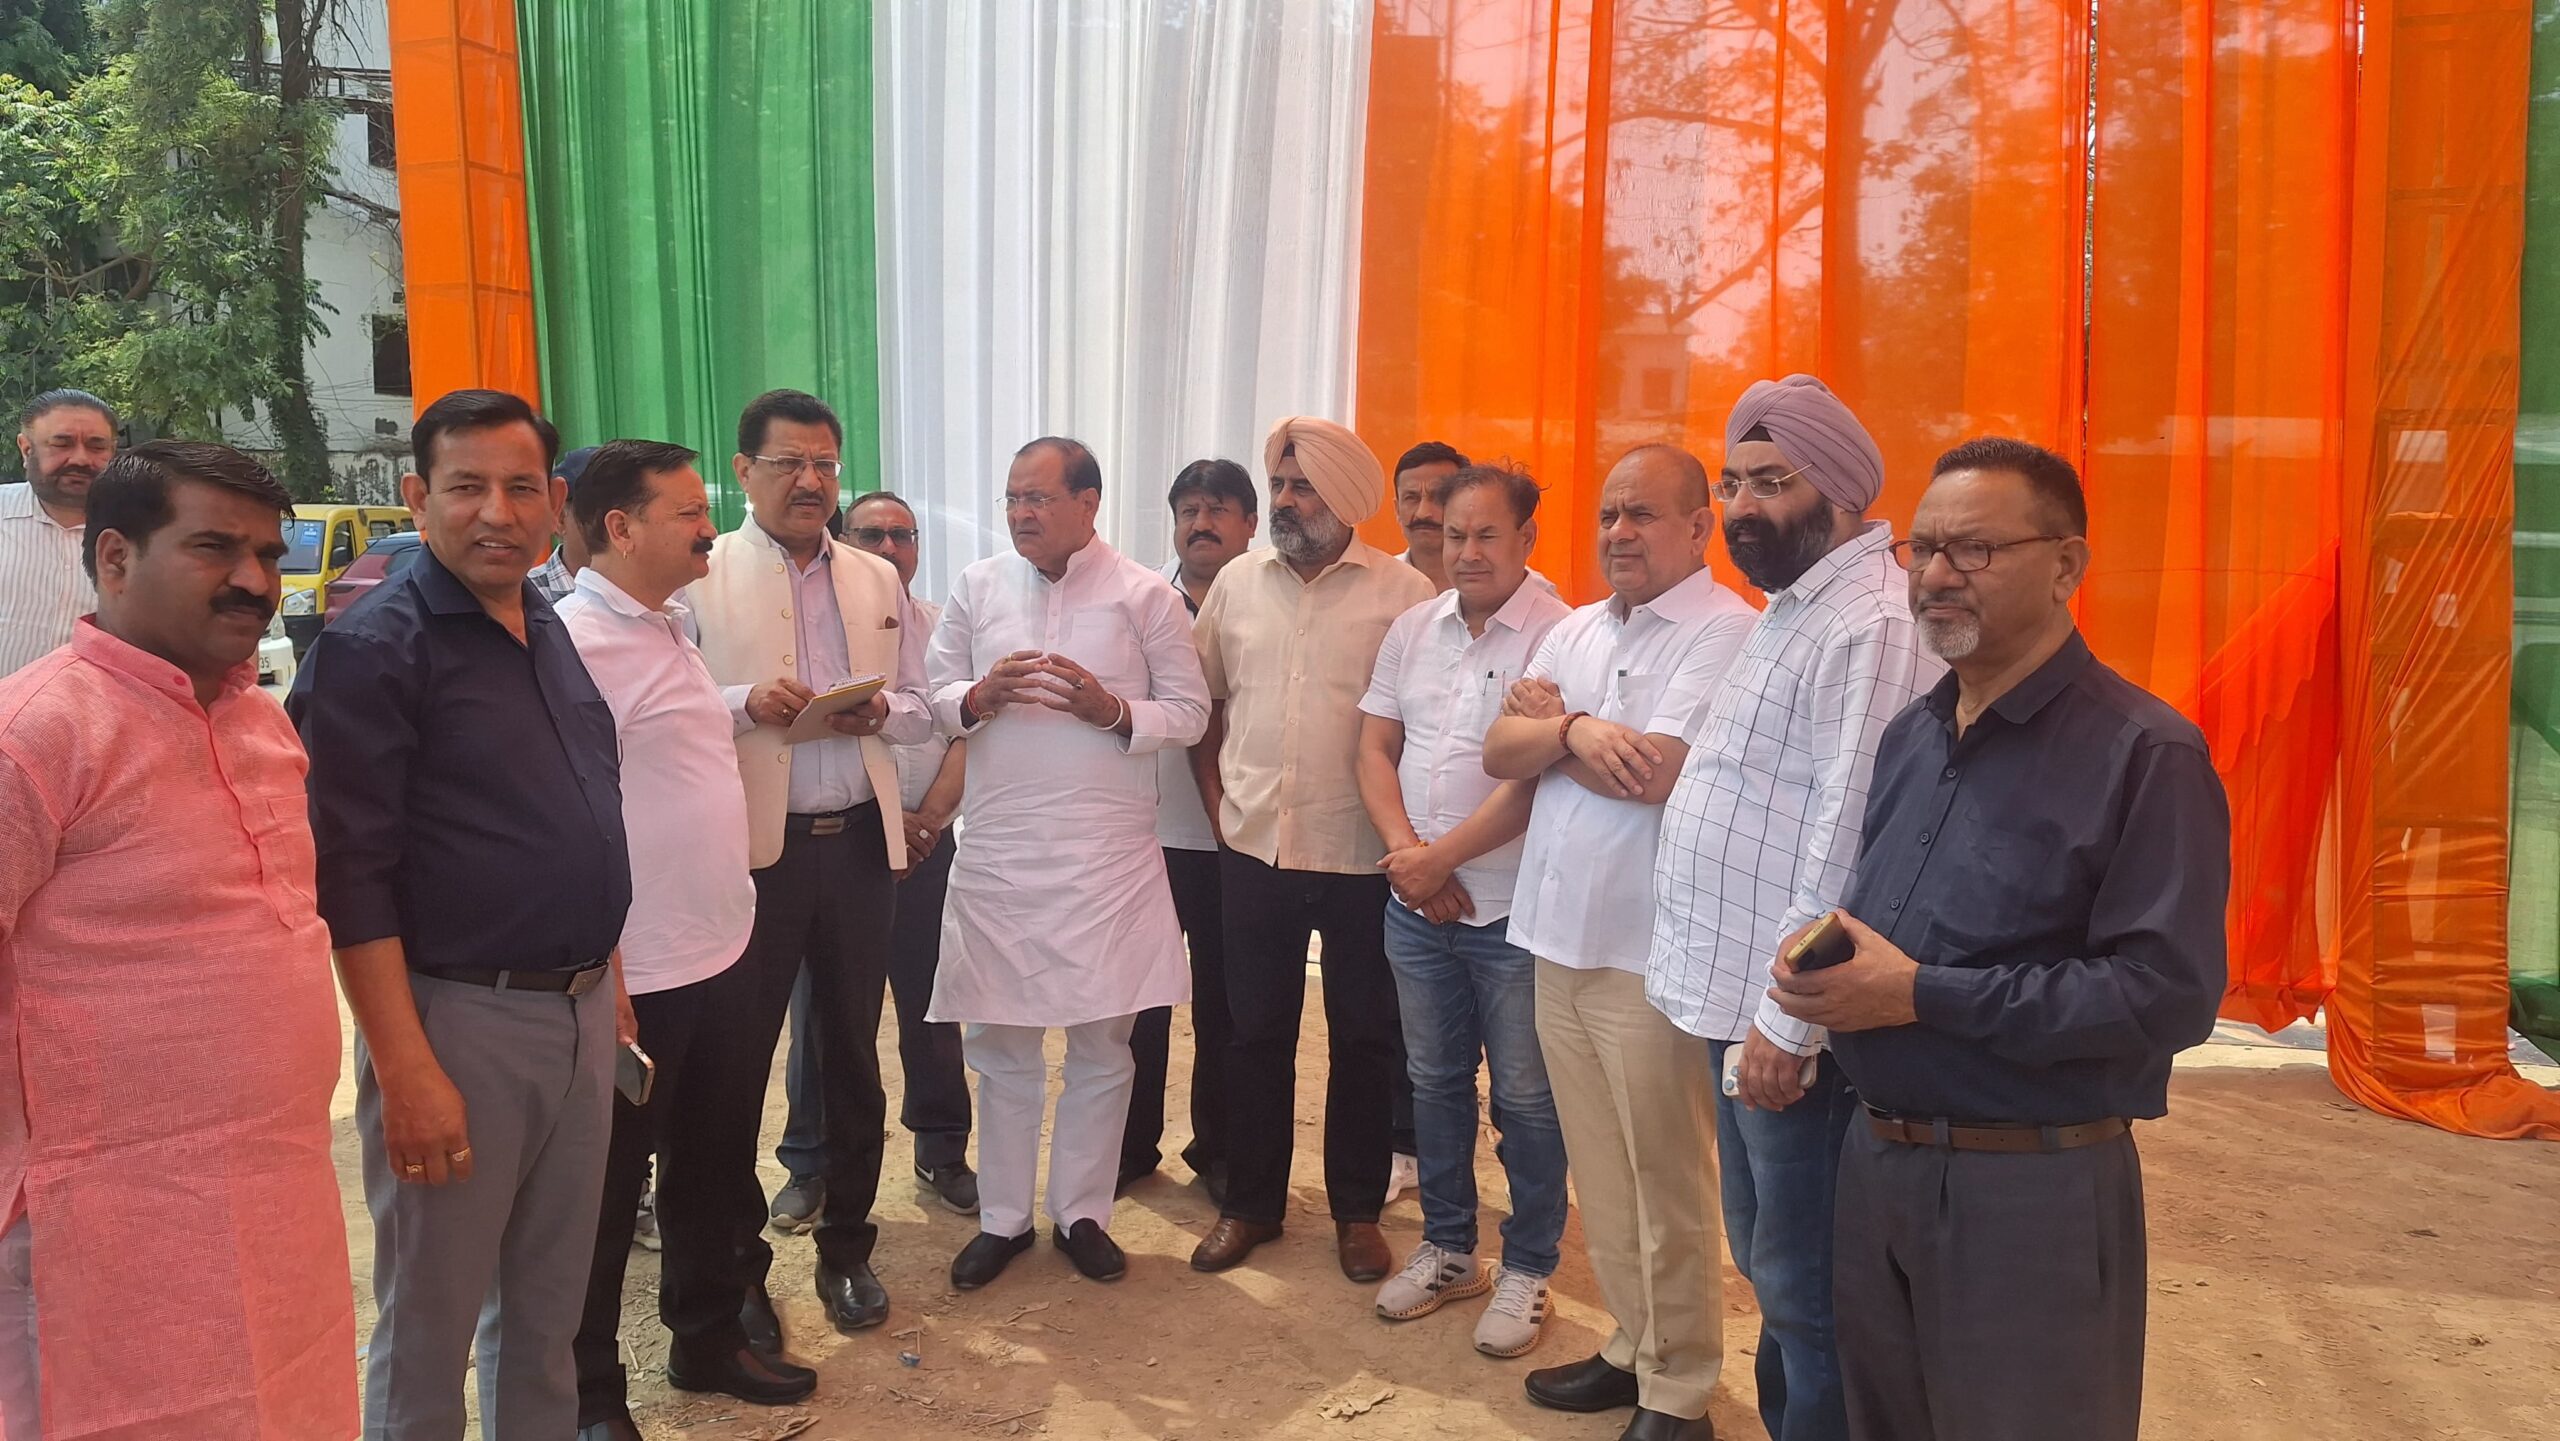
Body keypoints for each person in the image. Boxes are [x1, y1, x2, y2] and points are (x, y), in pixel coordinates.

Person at [1777, 437, 2228, 1441]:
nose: (1937, 575)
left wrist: (1918, 994)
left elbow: (2165, 996)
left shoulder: (2145, 753)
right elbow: (1902, 924)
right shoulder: (1913, 735)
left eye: (1974, 549)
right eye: (1922, 548)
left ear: (2066, 566)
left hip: (2030, 1194)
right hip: (1876, 1167)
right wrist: (1829, 960)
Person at [292, 389, 635, 1440]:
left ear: (555, 502)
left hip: (579, 1012)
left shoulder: (544, 623)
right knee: (429, 1328)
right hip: (456, 1022)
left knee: (546, 1315)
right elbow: (352, 876)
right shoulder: (375, 648)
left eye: (521, 487)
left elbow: (584, 814)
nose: (497, 511)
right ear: (417, 496)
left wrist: (611, 986)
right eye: (466, 487)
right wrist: (406, 1069)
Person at [0, 440, 355, 1440]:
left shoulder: (262, 724)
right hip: (103, 1227)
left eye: (267, 554)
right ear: (116, 557)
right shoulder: (37, 733)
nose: (253, 579)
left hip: (278, 1190)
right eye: (213, 548)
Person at [1644, 376, 1943, 1441]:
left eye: (1772, 482)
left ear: (1845, 491)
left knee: (1810, 1290)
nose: (1741, 506)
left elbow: (1846, 838)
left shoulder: (1872, 622)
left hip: (1788, 1026)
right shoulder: (1797, 606)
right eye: (1731, 483)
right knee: (1771, 1267)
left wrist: (1787, 1022)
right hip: (1740, 1002)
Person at [1484, 445, 1755, 1441]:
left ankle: (1679, 1388)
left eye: (1642, 514)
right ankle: (1632, 1345)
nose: (1619, 533)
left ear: (1699, 527)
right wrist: (1576, 734)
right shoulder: (1575, 628)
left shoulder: (1727, 632)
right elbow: (1497, 749)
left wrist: (1562, 732)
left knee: (1665, 1176)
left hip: (1651, 953)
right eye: (1607, 514)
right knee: (1600, 1167)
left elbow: (1657, 773)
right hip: (1555, 937)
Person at [560, 441, 812, 1440]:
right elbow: (567, 813)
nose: (709, 529)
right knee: (605, 1192)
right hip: (641, 971)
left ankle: (706, 1339)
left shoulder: (667, 626)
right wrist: (608, 960)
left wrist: (741, 700)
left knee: (712, 1162)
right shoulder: (574, 642)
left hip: (720, 947)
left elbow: (668, 736)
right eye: (686, 513)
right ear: (620, 528)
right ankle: (589, 1395)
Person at [926, 437, 1210, 1287]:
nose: (1021, 513)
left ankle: (1084, 1212)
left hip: (1105, 859)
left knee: (1103, 1043)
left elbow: (1191, 711)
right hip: (1001, 852)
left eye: (1039, 498)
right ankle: (1005, 1219)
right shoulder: (978, 585)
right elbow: (932, 696)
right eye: (1013, 498)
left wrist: (1112, 709)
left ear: (1089, 503)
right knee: (998, 1041)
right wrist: (978, 697)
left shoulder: (1145, 594)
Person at [687, 388, 934, 1339]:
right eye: (788, 463)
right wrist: (744, 701)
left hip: (859, 847)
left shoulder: (875, 577)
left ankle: (848, 1248)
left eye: (824, 464)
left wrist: (884, 711)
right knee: (735, 1064)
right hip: (752, 855)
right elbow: (659, 705)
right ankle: (739, 1268)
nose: (810, 481)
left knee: (853, 1059)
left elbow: (921, 702)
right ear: (743, 471)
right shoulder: (699, 574)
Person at [1187, 417, 1436, 1280]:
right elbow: (1205, 706)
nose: (1286, 501)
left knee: (1364, 1038)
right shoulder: (1236, 585)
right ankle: (1251, 1204)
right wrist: (1219, 808)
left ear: (1348, 498)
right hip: (1254, 848)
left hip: (1363, 855)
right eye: (1281, 485)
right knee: (1253, 1033)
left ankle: (1357, 1214)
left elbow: (1422, 728)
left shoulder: (1405, 594)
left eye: (1304, 487)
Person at [1354, 463, 1570, 1358]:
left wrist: (1439, 859)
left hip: (1515, 913)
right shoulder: (1414, 627)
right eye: (1453, 534)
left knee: (1527, 1099)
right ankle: (1448, 1247)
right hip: (1417, 908)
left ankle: (1528, 1264)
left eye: (1487, 534)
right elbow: (1375, 746)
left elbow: (1539, 777)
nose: (1467, 551)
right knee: (1434, 1082)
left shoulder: (1561, 634)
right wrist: (1411, 857)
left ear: (1526, 538)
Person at [773, 489, 979, 1230]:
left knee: (933, 1002)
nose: (890, 548)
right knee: (822, 1015)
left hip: (926, 840)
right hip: (842, 842)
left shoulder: (944, 627)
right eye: (872, 535)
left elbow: (967, 734)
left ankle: (943, 1149)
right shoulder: (814, 624)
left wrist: (926, 822)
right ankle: (809, 1162)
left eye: (904, 534)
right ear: (844, 542)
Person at [1121, 458, 1257, 1201]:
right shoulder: (1141, 600)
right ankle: (1128, 1145)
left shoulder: (1270, 599)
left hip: (1238, 837)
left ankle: (1221, 1150)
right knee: (1137, 1000)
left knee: (1225, 1005)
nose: (1201, 525)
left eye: (1217, 510)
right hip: (1148, 834)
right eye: (1188, 511)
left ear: (1250, 524)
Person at [0, 390, 117, 676]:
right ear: (26, 449)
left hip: (94, 705)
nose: (81, 459)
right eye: (61, 444)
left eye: (96, 446)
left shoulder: (143, 532)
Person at [1390, 441, 1467, 590]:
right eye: (1411, 498)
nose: (1423, 513)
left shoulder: (1497, 586)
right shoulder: (1374, 586)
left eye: (1438, 496)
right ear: (1397, 509)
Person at [530, 444, 601, 603]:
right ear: (560, 518)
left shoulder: (652, 594)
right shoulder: (524, 597)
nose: (620, 527)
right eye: (603, 512)